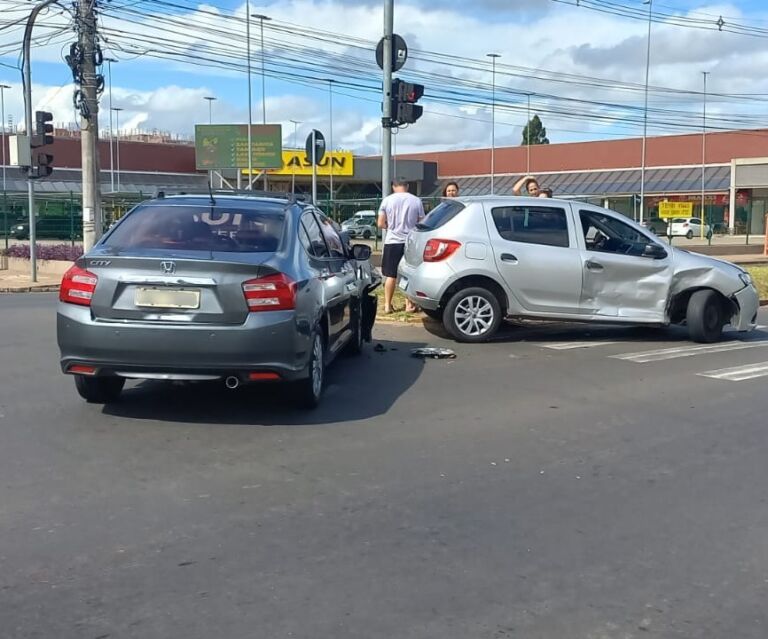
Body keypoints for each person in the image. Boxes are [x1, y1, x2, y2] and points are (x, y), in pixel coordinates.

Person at [378, 177, 424, 314]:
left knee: (391, 275)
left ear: (393, 186)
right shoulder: (416, 200)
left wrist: (390, 226)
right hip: (410, 242)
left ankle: (387, 305)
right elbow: (421, 222)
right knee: (408, 274)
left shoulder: (387, 200)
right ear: (407, 186)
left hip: (392, 241)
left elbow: (380, 223)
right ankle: (409, 304)